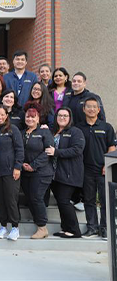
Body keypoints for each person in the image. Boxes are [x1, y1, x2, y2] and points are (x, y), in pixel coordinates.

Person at [77, 96, 116, 239]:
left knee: (105, 200)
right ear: (84, 109)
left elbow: (112, 147)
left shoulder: (106, 127)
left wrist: (108, 165)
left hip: (103, 169)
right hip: (86, 170)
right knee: (89, 199)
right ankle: (92, 227)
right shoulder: (79, 128)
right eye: (89, 106)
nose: (91, 109)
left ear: (99, 109)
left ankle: (104, 228)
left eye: (94, 107)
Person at [45, 107, 85, 238]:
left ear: (70, 118)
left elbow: (77, 150)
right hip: (55, 174)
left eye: (65, 116)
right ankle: (65, 227)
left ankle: (75, 230)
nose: (62, 118)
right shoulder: (54, 132)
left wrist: (57, 152)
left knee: (64, 200)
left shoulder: (75, 132)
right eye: (60, 115)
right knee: (60, 201)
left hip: (69, 173)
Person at [0, 105, 24, 241]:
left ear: (6, 115)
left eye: (2, 114)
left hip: (11, 171)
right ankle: (3, 226)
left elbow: (19, 149)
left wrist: (17, 167)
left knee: (11, 199)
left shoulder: (13, 129)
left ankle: (15, 227)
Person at [20, 101, 54, 239]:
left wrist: (33, 165)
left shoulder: (44, 132)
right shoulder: (22, 133)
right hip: (25, 171)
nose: (30, 119)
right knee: (30, 198)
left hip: (41, 172)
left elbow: (48, 152)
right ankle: (38, 223)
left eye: (33, 117)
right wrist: (22, 164)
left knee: (36, 197)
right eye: (28, 116)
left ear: (38, 118)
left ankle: (42, 227)